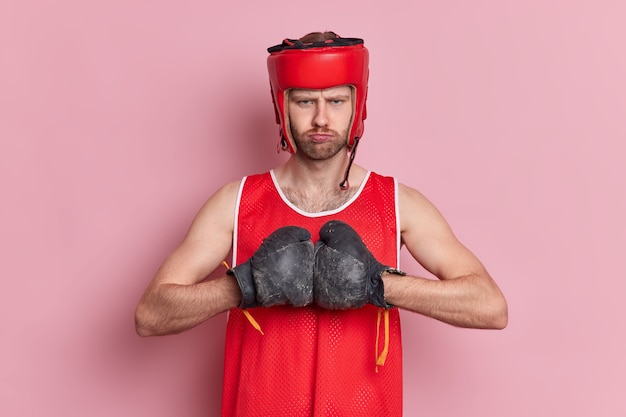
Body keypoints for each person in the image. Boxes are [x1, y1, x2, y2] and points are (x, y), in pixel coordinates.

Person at [135, 31, 508, 417]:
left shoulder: (400, 203)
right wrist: (244, 287)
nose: (320, 118)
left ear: (357, 105)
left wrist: (378, 284)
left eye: (336, 101)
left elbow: (490, 306)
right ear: (282, 107)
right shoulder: (235, 202)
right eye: (304, 101)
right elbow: (150, 316)